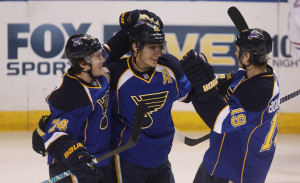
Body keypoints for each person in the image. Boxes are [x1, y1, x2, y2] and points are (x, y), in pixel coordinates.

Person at [31, 10, 162, 183]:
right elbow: (57, 135)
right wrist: (74, 154)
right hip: (74, 169)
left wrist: (133, 26)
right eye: (97, 56)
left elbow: (113, 49)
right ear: (83, 63)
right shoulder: (71, 94)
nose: (103, 59)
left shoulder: (94, 72)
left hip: (101, 160)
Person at [181, 28, 280, 183]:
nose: (235, 54)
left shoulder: (258, 91)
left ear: (247, 56)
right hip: (217, 160)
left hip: (238, 173)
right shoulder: (253, 75)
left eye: (238, 50)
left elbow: (220, 122)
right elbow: (221, 87)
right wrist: (197, 88)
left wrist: (202, 90)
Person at [108, 20, 192, 183]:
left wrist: (215, 85)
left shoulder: (170, 67)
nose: (158, 53)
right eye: (152, 48)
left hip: (161, 157)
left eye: (160, 47)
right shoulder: (115, 73)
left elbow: (187, 96)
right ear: (135, 46)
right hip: (127, 159)